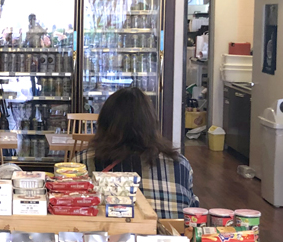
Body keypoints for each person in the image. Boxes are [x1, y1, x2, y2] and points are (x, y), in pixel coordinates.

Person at [81, 87, 198, 219]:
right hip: (165, 232)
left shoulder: (82, 164)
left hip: (103, 232)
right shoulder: (180, 165)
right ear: (152, 123)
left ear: (103, 123)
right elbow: (193, 214)